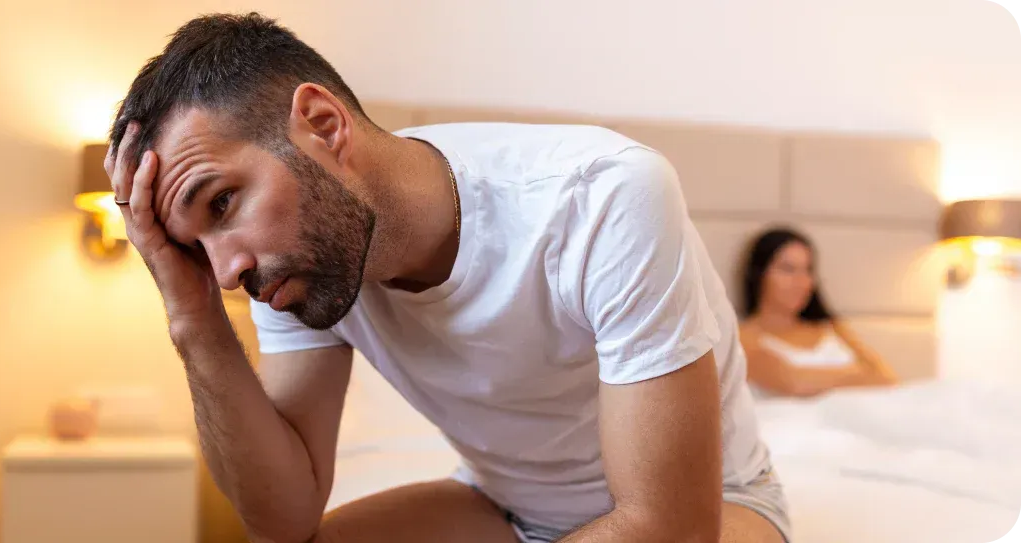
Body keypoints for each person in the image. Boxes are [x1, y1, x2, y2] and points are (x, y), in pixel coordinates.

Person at [102, 12, 790, 543]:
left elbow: (666, 526)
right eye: (198, 248)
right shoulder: (295, 266)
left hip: (713, 511)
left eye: (222, 202)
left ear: (321, 124)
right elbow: (282, 518)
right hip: (499, 504)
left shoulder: (600, 197)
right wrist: (191, 316)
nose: (227, 270)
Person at [738, 227, 899, 399]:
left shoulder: (831, 328)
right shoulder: (743, 337)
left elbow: (887, 379)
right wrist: (858, 373)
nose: (801, 282)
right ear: (759, 275)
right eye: (788, 269)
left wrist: (819, 379)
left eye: (807, 270)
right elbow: (794, 383)